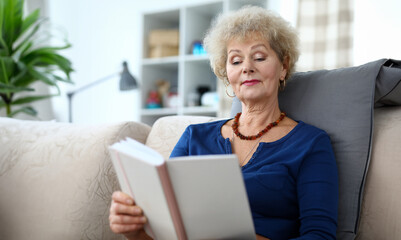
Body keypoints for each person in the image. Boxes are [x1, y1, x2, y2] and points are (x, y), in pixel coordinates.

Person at [109, 6, 338, 240]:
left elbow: (320, 236)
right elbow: (168, 229)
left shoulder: (310, 143)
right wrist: (136, 230)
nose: (247, 67)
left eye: (259, 57)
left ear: (284, 66)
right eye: (236, 60)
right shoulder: (193, 137)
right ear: (226, 73)